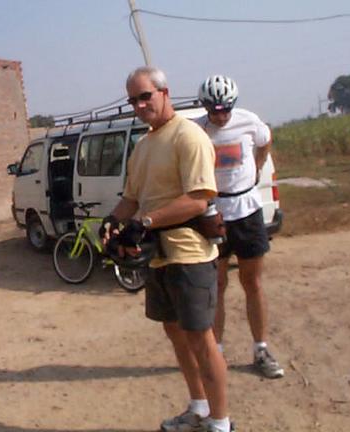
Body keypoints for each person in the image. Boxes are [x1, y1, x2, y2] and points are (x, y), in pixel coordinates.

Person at [102, 66, 231, 432]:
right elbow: (131, 198)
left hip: (190, 254)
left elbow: (199, 198)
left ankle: (220, 423)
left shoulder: (188, 136)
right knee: (175, 334)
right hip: (158, 256)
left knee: (202, 340)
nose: (140, 105)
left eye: (146, 96)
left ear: (164, 92)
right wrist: (112, 221)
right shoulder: (143, 146)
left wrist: (143, 222)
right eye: (134, 99)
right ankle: (198, 407)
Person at [195, 75, 284, 379]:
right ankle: (215, 352)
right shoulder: (197, 129)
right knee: (216, 286)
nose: (220, 117)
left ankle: (261, 349)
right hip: (214, 214)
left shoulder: (248, 121)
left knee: (253, 283)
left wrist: (258, 166)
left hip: (247, 211)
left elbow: (265, 139)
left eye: (225, 110)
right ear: (205, 107)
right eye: (214, 111)